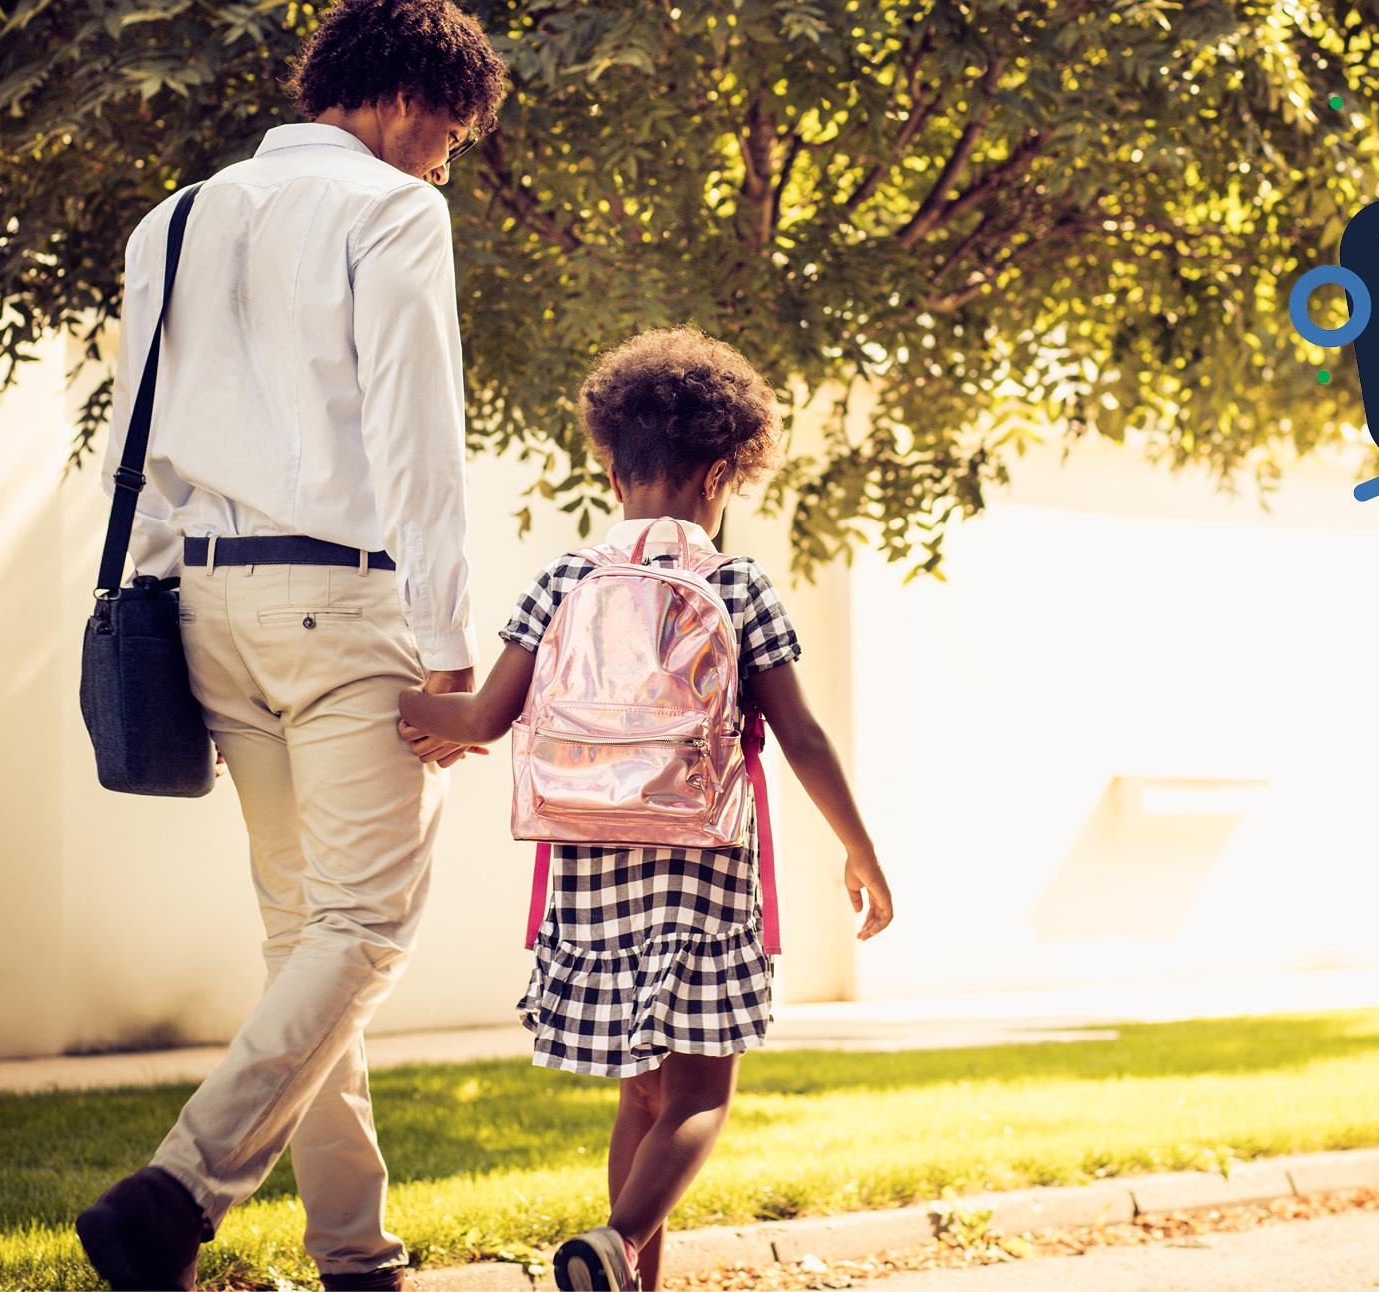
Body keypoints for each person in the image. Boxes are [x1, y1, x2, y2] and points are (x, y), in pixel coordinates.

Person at [72, 3, 505, 1289]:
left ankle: (355, 1249)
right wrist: (449, 648)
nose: (447, 162)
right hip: (348, 611)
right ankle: (179, 1187)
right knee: (367, 927)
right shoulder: (391, 210)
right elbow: (418, 436)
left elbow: (132, 440)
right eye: (452, 133)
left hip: (209, 609)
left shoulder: (178, 215)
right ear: (409, 96)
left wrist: (153, 595)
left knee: (301, 935)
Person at [396, 327, 896, 1292]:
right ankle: (617, 1244)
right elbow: (802, 738)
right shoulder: (738, 586)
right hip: (706, 874)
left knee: (642, 1098)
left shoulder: (562, 581)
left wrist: (390, 702)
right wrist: (860, 852)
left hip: (590, 875)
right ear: (721, 472)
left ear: (612, 468)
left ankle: (626, 1275)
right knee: (703, 1092)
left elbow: (483, 718)